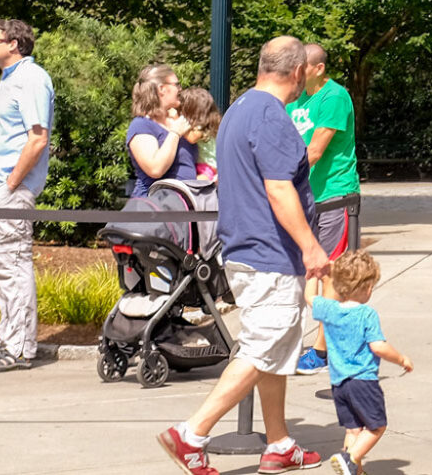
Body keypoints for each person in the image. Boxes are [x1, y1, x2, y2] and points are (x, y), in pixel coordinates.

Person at [157, 36, 329, 475]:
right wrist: (311, 247)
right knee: (264, 345)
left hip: (246, 249)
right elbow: (278, 188)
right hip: (269, 250)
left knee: (275, 345)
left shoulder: (239, 109)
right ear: (297, 73)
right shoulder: (272, 116)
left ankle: (279, 443)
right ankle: (191, 434)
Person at [0, 18, 55, 374]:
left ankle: (21, 349)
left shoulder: (32, 79)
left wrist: (11, 183)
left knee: (14, 266)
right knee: (0, 269)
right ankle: (8, 341)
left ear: (15, 44)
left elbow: (38, 137)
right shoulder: (9, 79)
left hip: (10, 191)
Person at [292, 42, 360, 375]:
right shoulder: (296, 99)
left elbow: (315, 150)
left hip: (335, 196)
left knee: (331, 271)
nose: (296, 72)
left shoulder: (333, 97)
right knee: (307, 271)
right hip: (306, 198)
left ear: (318, 68)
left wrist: (275, 175)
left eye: (302, 66)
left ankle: (321, 350)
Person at [313, 247, 412, 475]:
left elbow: (310, 298)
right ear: (367, 288)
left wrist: (315, 276)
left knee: (353, 430)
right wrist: (401, 359)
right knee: (377, 426)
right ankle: (351, 458)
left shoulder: (329, 309)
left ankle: (354, 471)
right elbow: (378, 346)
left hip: (339, 383)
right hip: (363, 381)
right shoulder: (366, 314)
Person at [127, 61, 197, 198]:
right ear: (161, 89)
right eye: (176, 85)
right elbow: (155, 168)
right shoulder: (141, 125)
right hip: (153, 211)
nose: (180, 89)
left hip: (185, 210)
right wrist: (175, 134)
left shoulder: (178, 122)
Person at [178, 87, 222, 183]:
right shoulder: (211, 123)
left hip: (208, 167)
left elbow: (192, 138)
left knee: (194, 184)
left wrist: (176, 122)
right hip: (207, 165)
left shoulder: (201, 127)